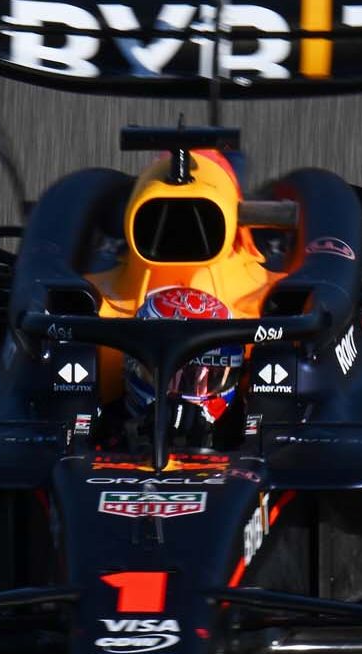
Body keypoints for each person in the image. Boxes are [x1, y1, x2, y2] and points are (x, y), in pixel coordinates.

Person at [87, 148, 278, 446]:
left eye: (203, 378)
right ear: (132, 366)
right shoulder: (97, 311)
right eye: (165, 376)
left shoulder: (267, 308)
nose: (180, 397)